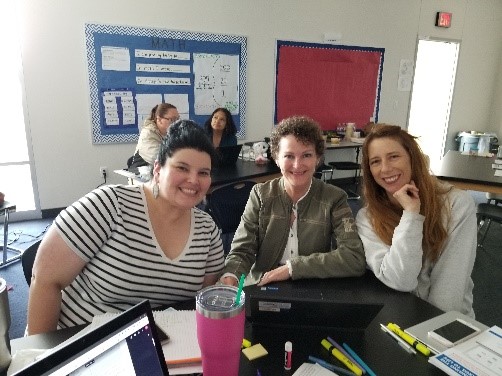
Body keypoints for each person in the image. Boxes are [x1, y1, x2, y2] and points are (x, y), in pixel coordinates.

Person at [27, 120, 224, 335]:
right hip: (80, 341)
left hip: (156, 347)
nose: (193, 180)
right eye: (182, 168)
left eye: (203, 173)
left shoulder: (208, 230)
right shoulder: (110, 204)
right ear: (158, 169)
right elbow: (45, 279)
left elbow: (205, 301)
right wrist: (41, 358)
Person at [220, 116, 365, 287]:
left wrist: (292, 268)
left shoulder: (334, 198)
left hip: (311, 286)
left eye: (307, 155)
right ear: (276, 158)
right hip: (263, 284)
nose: (297, 165)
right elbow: (242, 250)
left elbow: (353, 257)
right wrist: (231, 276)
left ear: (318, 158)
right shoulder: (260, 194)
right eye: (289, 156)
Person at [356, 124, 477, 317]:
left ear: (413, 158)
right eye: (375, 161)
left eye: (394, 156)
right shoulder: (367, 218)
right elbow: (401, 280)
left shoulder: (457, 204)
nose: (385, 168)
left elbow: (450, 285)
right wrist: (411, 215)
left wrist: (435, 331)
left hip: (446, 320)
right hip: (398, 317)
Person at [130, 103, 180, 168]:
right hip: (143, 173)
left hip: (161, 171)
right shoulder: (148, 133)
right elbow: (158, 157)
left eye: (178, 119)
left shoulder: (172, 133)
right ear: (159, 119)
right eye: (172, 119)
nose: (177, 123)